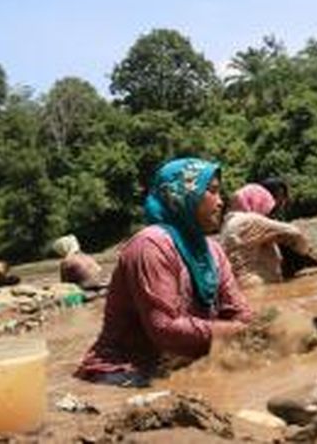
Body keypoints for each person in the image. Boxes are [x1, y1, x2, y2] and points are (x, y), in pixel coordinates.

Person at [76, 158, 253, 387]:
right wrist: (235, 331)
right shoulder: (151, 245)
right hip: (121, 371)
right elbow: (165, 329)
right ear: (181, 195)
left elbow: (240, 313)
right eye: (212, 191)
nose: (221, 202)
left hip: (173, 363)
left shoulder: (212, 251)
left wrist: (257, 329)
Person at [220, 183, 317, 288]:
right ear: (259, 202)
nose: (269, 213)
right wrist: (307, 252)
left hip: (241, 288)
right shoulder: (251, 220)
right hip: (257, 287)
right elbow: (295, 233)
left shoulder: (228, 224)